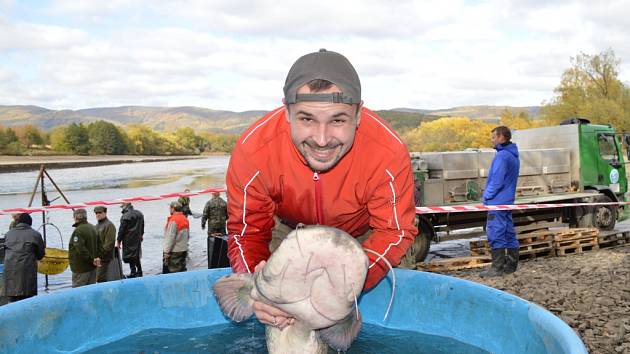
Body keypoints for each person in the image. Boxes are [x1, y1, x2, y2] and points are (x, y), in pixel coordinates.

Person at [225, 49, 417, 329]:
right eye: (307, 119)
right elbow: (247, 231)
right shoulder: (253, 151)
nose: (322, 139)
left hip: (363, 234)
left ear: (359, 114)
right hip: (289, 232)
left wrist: (349, 286)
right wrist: (259, 293)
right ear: (286, 111)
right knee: (280, 324)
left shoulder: (387, 152)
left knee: (381, 319)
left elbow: (395, 230)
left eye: (338, 120)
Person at [480, 126, 520, 278]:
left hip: (497, 201)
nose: (492, 140)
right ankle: (511, 266)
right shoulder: (513, 155)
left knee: (496, 232)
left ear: (501, 137)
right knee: (508, 232)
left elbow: (496, 181)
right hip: (507, 200)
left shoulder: (502, 156)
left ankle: (496, 269)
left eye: (494, 137)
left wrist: (486, 197)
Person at [3, 213, 45, 302]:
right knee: (27, 300)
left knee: (13, 300)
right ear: (30, 223)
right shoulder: (35, 234)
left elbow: (5, 251)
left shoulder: (8, 234)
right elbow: (41, 255)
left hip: (9, 272)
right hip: (26, 272)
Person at [69, 208, 100, 287]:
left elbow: (80, 249)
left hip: (81, 269)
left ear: (75, 218)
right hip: (93, 268)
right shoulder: (93, 227)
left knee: (78, 292)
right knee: (90, 291)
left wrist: (91, 259)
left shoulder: (78, 231)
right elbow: (99, 244)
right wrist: (95, 259)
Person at [116, 203, 145, 278]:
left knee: (130, 256)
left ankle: (133, 272)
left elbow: (121, 230)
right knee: (136, 255)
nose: (122, 209)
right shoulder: (139, 214)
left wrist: (118, 241)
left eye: (122, 207)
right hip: (137, 238)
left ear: (125, 207)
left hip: (128, 240)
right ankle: (139, 271)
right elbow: (142, 226)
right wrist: (141, 234)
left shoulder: (125, 216)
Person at [201, 191, 229, 268]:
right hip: (222, 226)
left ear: (212, 194)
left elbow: (205, 215)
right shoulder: (224, 203)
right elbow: (228, 215)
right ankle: (222, 260)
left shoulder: (209, 203)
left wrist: (203, 224)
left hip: (212, 227)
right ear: (219, 194)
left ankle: (212, 260)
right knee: (223, 242)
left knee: (211, 242)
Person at [94, 206, 121, 282]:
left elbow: (109, 244)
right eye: (96, 213)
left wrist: (99, 256)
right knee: (95, 277)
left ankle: (102, 293)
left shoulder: (109, 225)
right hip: (97, 257)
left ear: (105, 213)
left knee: (100, 278)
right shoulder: (96, 226)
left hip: (104, 257)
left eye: (100, 213)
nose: (97, 215)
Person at [162, 201, 189, 273]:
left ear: (173, 209)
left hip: (175, 251)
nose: (169, 209)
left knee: (174, 271)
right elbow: (187, 235)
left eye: (170, 208)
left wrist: (166, 252)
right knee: (182, 270)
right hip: (183, 249)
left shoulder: (174, 220)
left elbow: (170, 237)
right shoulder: (184, 218)